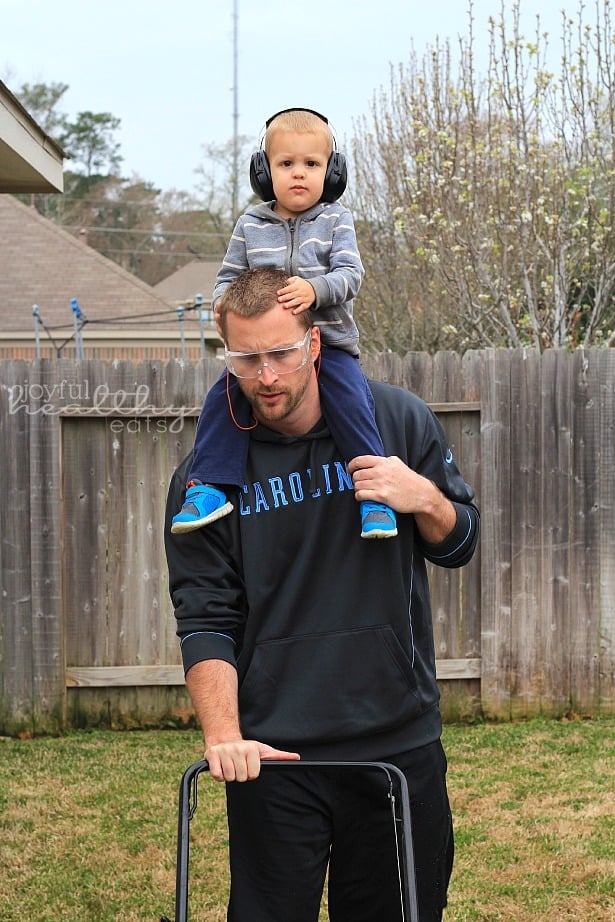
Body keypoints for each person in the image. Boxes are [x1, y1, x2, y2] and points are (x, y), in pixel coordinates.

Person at [164, 267, 480, 922]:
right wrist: (224, 734)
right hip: (274, 758)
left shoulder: (395, 421)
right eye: (247, 359)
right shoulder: (204, 482)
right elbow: (204, 614)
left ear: (313, 344)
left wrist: (422, 497)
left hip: (396, 744)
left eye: (281, 352)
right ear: (228, 358)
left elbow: (457, 545)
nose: (267, 376)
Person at [170, 106, 397, 540]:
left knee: (352, 402)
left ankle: (374, 496)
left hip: (329, 344)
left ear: (331, 172)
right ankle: (212, 487)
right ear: (264, 171)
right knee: (223, 398)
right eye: (286, 163)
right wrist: (222, 307)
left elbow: (352, 275)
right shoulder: (250, 224)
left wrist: (315, 290)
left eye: (311, 164)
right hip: (261, 349)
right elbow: (226, 278)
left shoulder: (336, 220)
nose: (299, 174)